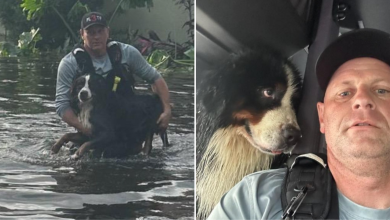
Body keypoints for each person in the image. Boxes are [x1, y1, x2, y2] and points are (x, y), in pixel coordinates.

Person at [206, 28, 390, 220]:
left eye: (382, 90)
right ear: (322, 117)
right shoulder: (254, 199)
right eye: (344, 93)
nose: (361, 99)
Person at [54, 12, 171, 139]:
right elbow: (62, 105)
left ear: (108, 32)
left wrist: (166, 110)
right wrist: (85, 129)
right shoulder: (69, 63)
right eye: (91, 33)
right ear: (82, 34)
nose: (96, 37)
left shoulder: (127, 53)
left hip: (125, 118)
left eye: (100, 31)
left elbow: (156, 79)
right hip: (90, 123)